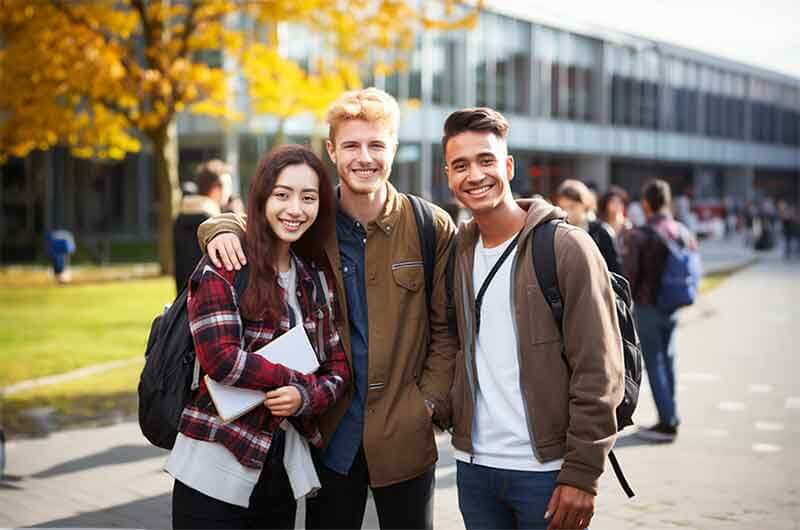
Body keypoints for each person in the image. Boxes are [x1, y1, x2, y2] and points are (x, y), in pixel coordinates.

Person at [196, 87, 457, 530]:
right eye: (351, 145)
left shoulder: (429, 225)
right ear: (332, 150)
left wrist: (427, 405)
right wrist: (218, 226)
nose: (364, 157)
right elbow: (264, 218)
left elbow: (446, 331)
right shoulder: (312, 217)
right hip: (329, 433)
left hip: (404, 435)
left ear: (393, 148)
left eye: (377, 144)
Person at [442, 107, 624, 530]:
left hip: (547, 472)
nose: (474, 175)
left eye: (486, 160)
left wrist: (583, 473)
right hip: (473, 469)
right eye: (460, 165)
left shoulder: (565, 247)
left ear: (507, 166)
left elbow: (599, 370)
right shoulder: (457, 253)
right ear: (448, 175)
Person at [165, 145, 350, 529]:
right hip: (213, 467)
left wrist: (306, 397)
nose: (295, 209)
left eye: (309, 197)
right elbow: (221, 360)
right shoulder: (226, 263)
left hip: (279, 470)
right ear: (262, 197)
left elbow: (337, 367)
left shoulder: (315, 278)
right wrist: (294, 380)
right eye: (282, 194)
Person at [624, 179, 697, 443]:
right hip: (674, 305)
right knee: (669, 361)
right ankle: (671, 416)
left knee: (654, 365)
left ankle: (667, 424)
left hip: (648, 306)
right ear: (667, 202)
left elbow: (629, 275)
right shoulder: (682, 231)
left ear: (645, 203)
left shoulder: (641, 234)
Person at [173, 159, 233, 293]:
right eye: (228, 186)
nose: (230, 193)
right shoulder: (212, 224)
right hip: (208, 299)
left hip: (183, 300)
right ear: (216, 189)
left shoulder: (181, 217)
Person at [555, 179, 624, 276]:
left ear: (585, 205)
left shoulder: (601, 232)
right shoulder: (557, 231)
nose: (567, 212)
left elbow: (615, 272)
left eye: (572, 207)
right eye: (563, 207)